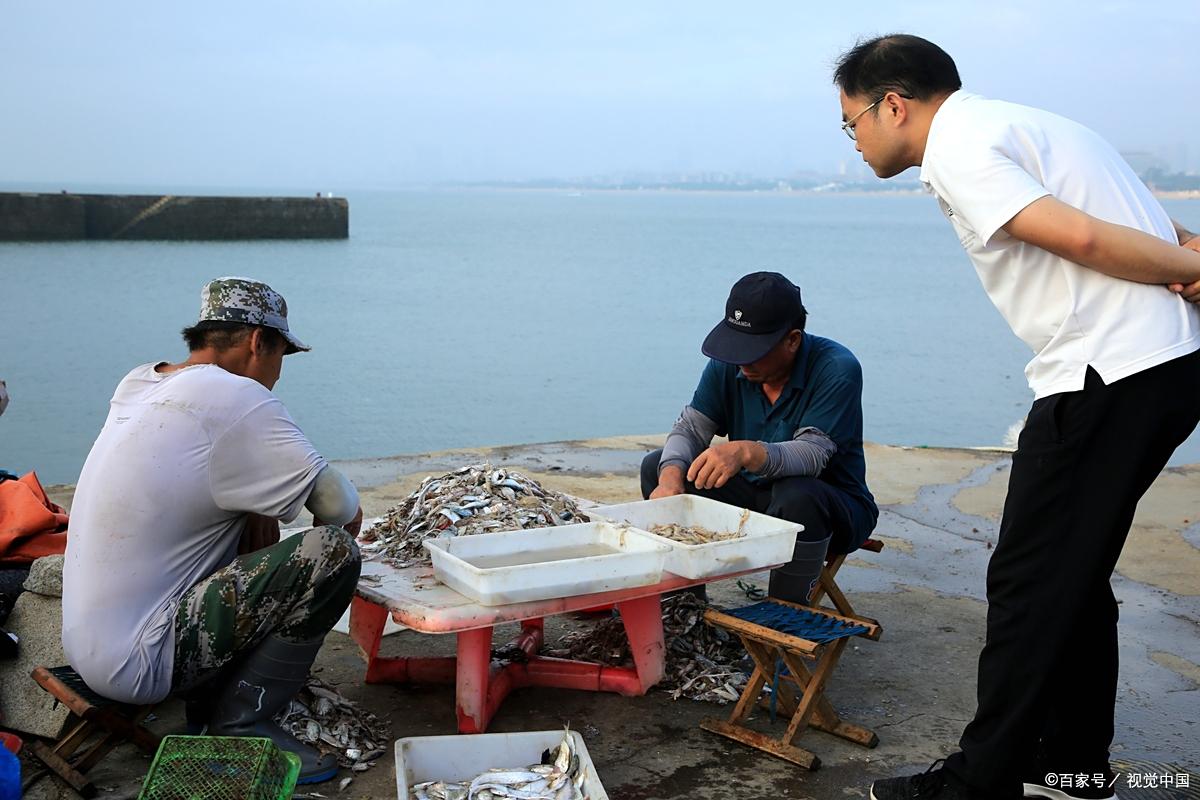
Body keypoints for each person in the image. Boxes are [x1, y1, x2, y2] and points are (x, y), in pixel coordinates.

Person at [831, 34, 1200, 800]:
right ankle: (1072, 768)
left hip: (1108, 372)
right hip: (1160, 364)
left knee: (1029, 581)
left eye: (851, 122)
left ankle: (981, 783)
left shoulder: (961, 147)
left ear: (892, 105)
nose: (854, 140)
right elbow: (1168, 236)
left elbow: (1089, 238)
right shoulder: (1039, 125)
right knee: (1072, 572)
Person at [62, 277, 364, 785]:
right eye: (281, 355)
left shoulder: (141, 382)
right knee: (330, 552)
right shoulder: (237, 397)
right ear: (257, 342)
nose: (277, 373)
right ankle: (244, 723)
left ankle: (215, 692)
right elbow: (342, 507)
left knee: (249, 514)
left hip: (87, 645)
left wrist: (256, 509)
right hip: (143, 658)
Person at [641, 271, 878, 602]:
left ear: (792, 340)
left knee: (798, 493)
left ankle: (784, 623)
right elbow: (691, 428)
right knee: (658, 465)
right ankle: (685, 607)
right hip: (755, 498)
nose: (742, 359)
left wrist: (744, 452)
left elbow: (812, 454)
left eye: (755, 349)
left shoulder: (837, 368)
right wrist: (669, 480)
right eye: (736, 346)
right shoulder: (730, 365)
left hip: (831, 508)